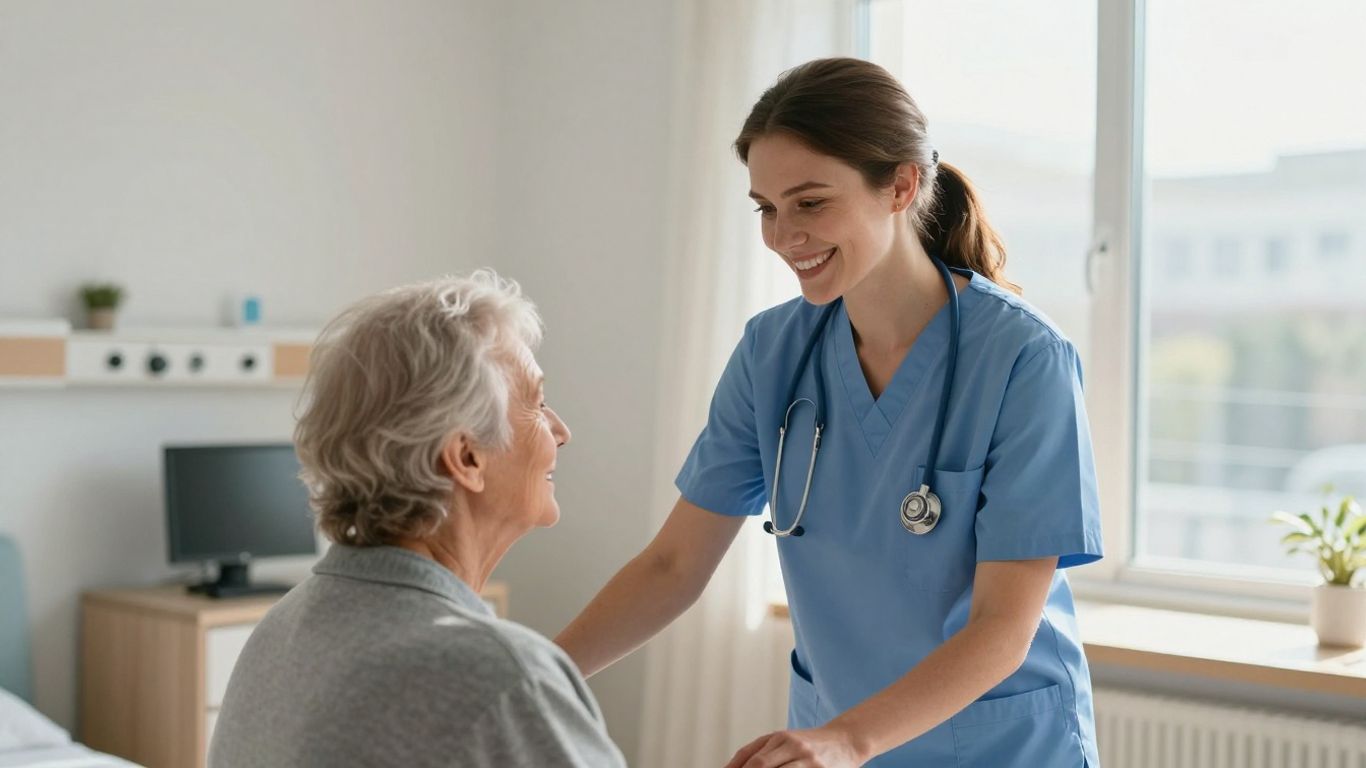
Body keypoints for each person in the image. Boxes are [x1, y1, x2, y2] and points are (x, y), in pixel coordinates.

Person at [555, 58, 1102, 767]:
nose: (784, 236)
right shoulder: (772, 353)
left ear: (901, 186)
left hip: (995, 748)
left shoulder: (1022, 359)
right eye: (766, 208)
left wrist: (847, 740)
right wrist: (527, 675)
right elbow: (673, 565)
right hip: (832, 741)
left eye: (810, 203)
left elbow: (1002, 628)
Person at [209, 272, 626, 768]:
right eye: (537, 403)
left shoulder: (280, 631)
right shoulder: (499, 674)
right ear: (466, 458)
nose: (561, 431)